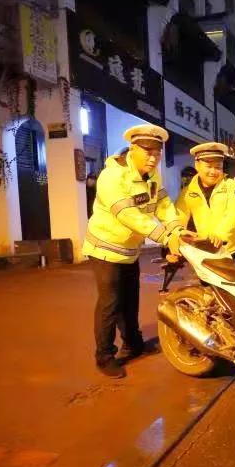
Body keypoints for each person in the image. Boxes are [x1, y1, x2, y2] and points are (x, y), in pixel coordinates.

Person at [83, 124, 185, 378]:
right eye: (147, 151)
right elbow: (128, 215)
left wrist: (176, 232)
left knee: (131, 299)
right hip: (105, 249)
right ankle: (104, 355)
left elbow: (163, 204)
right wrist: (164, 237)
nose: (153, 158)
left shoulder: (153, 176)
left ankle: (133, 342)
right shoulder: (112, 177)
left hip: (130, 250)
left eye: (157, 153)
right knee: (110, 303)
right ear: (133, 149)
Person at [175, 142, 235, 266]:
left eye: (218, 167)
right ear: (197, 165)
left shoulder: (232, 185)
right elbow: (179, 217)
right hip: (207, 252)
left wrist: (220, 234)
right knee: (207, 285)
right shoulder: (187, 192)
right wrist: (174, 242)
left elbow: (234, 214)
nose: (213, 171)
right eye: (208, 166)